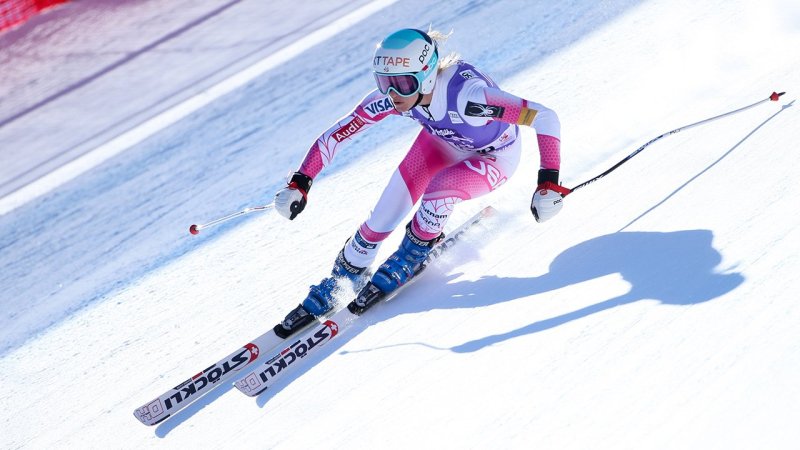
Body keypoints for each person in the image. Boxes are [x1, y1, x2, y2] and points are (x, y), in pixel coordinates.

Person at [272, 28, 568, 336]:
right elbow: (337, 134)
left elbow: (544, 116)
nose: (392, 95)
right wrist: (300, 182)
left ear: (426, 76)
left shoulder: (470, 99)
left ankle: (412, 254)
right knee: (380, 219)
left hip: (494, 156)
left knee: (439, 191)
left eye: (402, 84)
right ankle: (344, 277)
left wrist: (548, 183)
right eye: (384, 82)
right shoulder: (395, 98)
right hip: (442, 142)